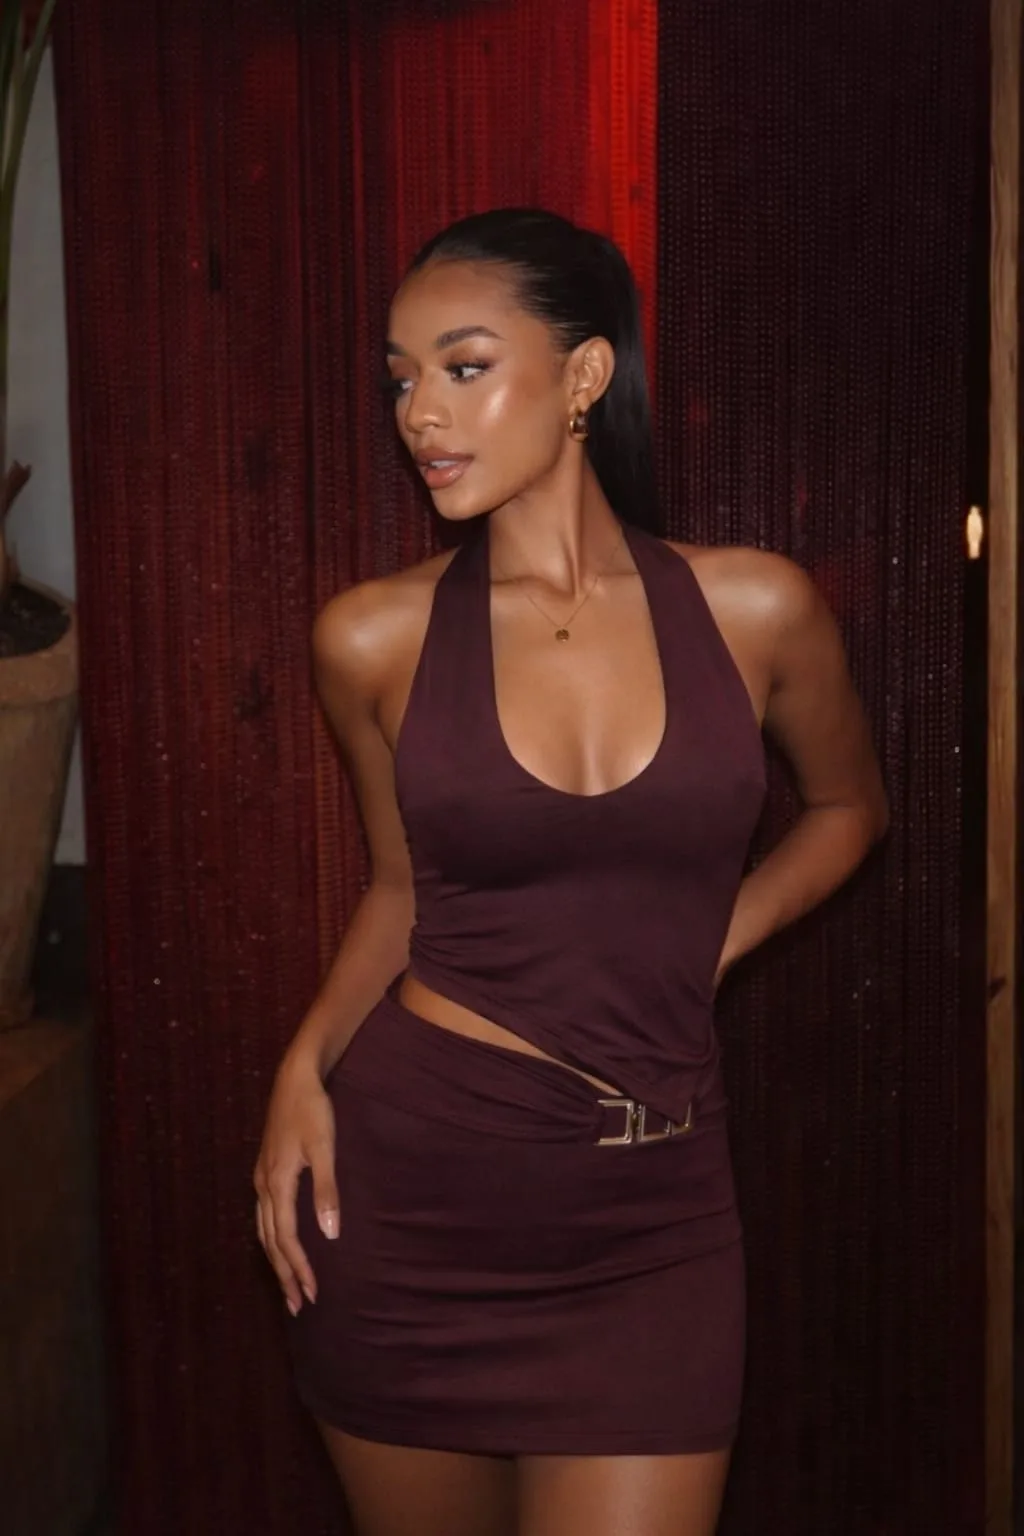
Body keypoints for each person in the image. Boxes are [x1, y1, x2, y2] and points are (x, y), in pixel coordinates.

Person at [253, 207, 888, 1536]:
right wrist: (301, 1066)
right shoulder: (370, 638)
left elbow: (848, 809)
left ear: (586, 374)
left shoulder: (755, 608)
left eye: (464, 365)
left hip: (652, 1218)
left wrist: (713, 938)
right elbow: (400, 891)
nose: (422, 413)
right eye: (401, 379)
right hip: (415, 1199)